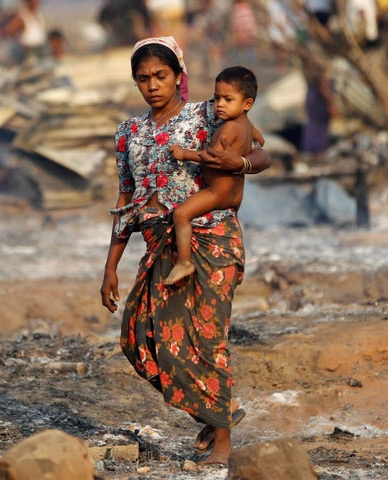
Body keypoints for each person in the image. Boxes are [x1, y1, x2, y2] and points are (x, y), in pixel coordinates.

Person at [99, 36, 270, 467]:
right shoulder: (129, 134)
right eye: (143, 79)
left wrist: (244, 165)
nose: (153, 85)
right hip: (160, 247)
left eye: (161, 75)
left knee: (207, 339)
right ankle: (216, 414)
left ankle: (224, 445)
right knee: (140, 339)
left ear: (179, 76)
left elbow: (258, 144)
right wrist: (111, 267)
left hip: (210, 238)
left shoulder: (208, 114)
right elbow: (126, 198)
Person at [164, 66, 260, 285]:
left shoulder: (227, 129)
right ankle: (237, 261)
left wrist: (184, 153)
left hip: (217, 192)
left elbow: (212, 157)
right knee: (233, 225)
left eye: (228, 99)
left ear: (247, 104)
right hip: (236, 194)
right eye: (217, 98)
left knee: (180, 215)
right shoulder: (247, 125)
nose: (220, 105)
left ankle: (184, 262)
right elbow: (260, 141)